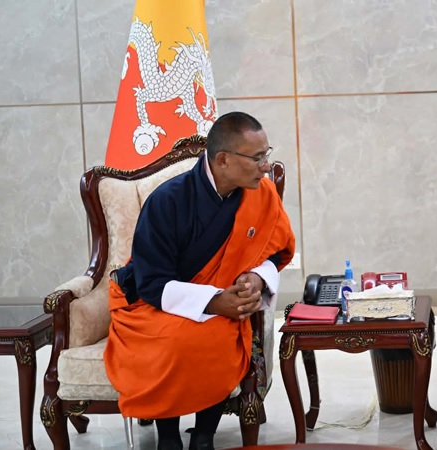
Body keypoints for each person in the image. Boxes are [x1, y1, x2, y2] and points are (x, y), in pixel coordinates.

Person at [104, 111, 296, 450]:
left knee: (219, 335)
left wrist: (256, 278)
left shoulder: (262, 195)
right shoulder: (167, 201)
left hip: (224, 306)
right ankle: (167, 437)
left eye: (266, 155)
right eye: (257, 158)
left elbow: (278, 251)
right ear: (223, 160)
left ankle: (204, 435)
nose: (266, 166)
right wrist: (215, 301)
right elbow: (152, 283)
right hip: (155, 303)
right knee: (171, 341)